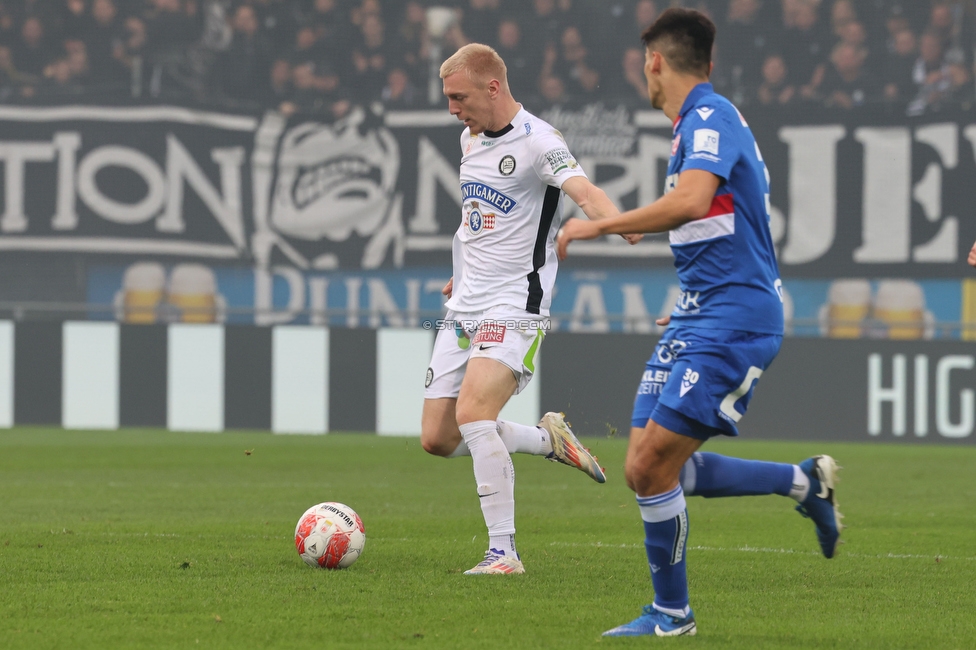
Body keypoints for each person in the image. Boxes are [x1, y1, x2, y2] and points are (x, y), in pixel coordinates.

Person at [557, 8, 842, 636]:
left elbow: (689, 202)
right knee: (649, 466)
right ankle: (803, 485)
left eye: (644, 66)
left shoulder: (709, 119)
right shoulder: (695, 124)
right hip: (702, 310)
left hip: (735, 319)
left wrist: (600, 223)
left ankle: (672, 616)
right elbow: (714, 222)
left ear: (654, 61)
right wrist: (691, 295)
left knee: (653, 465)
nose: (644, 77)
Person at [422, 42, 640, 576]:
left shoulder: (540, 142)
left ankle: (504, 554)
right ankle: (548, 440)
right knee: (439, 437)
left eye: (459, 97)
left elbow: (583, 190)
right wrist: (462, 266)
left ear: (492, 87)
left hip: (515, 302)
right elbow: (474, 215)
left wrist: (613, 223)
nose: (452, 108)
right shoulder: (469, 137)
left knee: (474, 414)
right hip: (466, 304)